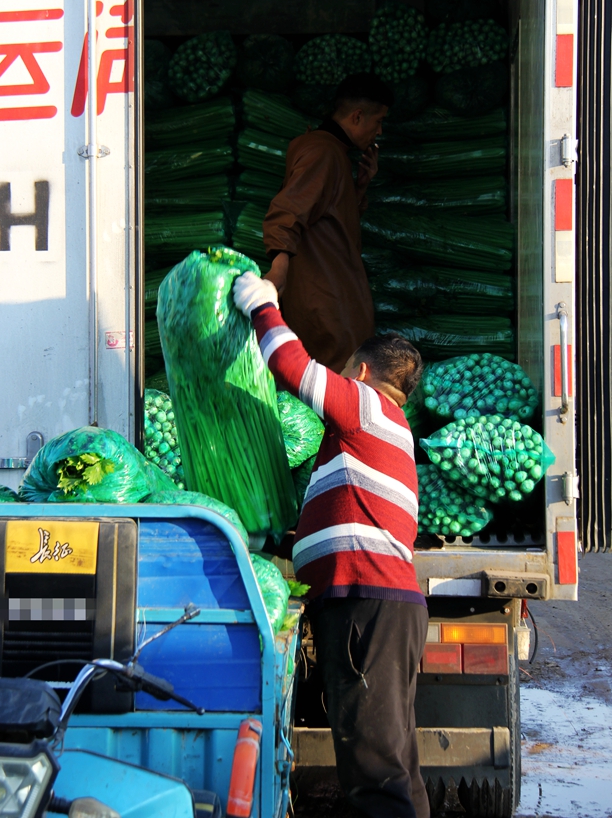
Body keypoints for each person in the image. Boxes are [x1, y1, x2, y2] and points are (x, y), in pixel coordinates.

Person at [232, 271, 430, 818]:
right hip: (381, 607)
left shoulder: (366, 408)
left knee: (374, 773)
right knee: (396, 766)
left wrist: (262, 307)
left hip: (366, 606)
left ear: (362, 372)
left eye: (344, 372)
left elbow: (292, 368)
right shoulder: (380, 437)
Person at [261, 73, 392, 373]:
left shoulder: (329, 151)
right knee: (337, 378)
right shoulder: (323, 153)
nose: (380, 131)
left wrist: (360, 186)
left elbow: (331, 221)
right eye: (378, 120)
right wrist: (278, 271)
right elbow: (288, 210)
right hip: (327, 301)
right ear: (357, 116)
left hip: (331, 294)